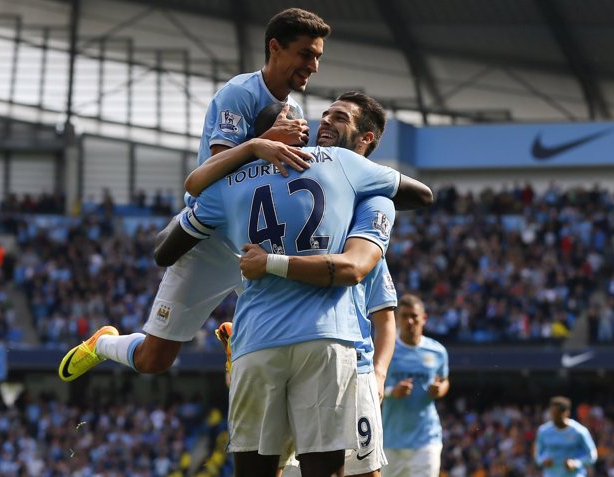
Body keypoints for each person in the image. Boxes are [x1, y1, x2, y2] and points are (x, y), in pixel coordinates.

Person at [153, 97, 432, 476]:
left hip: (256, 341)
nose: (318, 125)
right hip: (328, 339)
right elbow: (422, 195)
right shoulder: (346, 167)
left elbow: (165, 250)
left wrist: (228, 180)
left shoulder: (225, 188)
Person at [58, 7, 328, 382]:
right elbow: (213, 169)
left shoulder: (294, 109)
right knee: (155, 359)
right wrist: (261, 143)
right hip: (209, 237)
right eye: (305, 54)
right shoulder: (239, 94)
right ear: (275, 48)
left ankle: (241, 336)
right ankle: (104, 343)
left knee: (286, 332)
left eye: (317, 56)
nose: (313, 65)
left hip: (258, 238)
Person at [382, 294, 450, 477]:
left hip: (426, 440)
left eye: (414, 316)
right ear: (397, 319)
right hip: (390, 441)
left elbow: (444, 380)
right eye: (404, 316)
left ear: (424, 319)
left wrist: (439, 390)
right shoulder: (386, 349)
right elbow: (371, 384)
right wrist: (391, 392)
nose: (409, 321)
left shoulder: (437, 351)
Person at [534, 396, 597, 477]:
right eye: (553, 414)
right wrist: (543, 461)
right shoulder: (543, 431)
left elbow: (592, 455)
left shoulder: (579, 431)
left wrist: (576, 463)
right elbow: (537, 454)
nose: (555, 417)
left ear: (566, 412)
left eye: (558, 414)